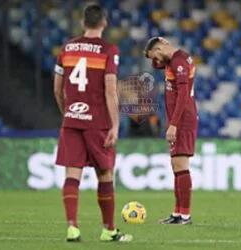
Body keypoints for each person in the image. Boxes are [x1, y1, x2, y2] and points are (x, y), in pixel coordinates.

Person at [53, 4, 132, 242]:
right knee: (105, 174)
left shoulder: (67, 48)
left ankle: (72, 228)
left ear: (83, 23)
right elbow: (110, 89)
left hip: (72, 120)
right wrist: (115, 125)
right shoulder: (109, 50)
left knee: (72, 174)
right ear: (104, 23)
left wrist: (67, 113)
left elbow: (57, 89)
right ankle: (108, 230)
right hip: (98, 121)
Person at [144, 37, 198, 224]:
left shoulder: (179, 61)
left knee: (181, 166)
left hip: (183, 119)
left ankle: (185, 215)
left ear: (160, 48)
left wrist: (173, 124)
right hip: (178, 118)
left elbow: (183, 94)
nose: (156, 61)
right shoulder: (173, 60)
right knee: (176, 166)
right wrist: (155, 50)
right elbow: (156, 63)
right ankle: (177, 214)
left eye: (156, 55)